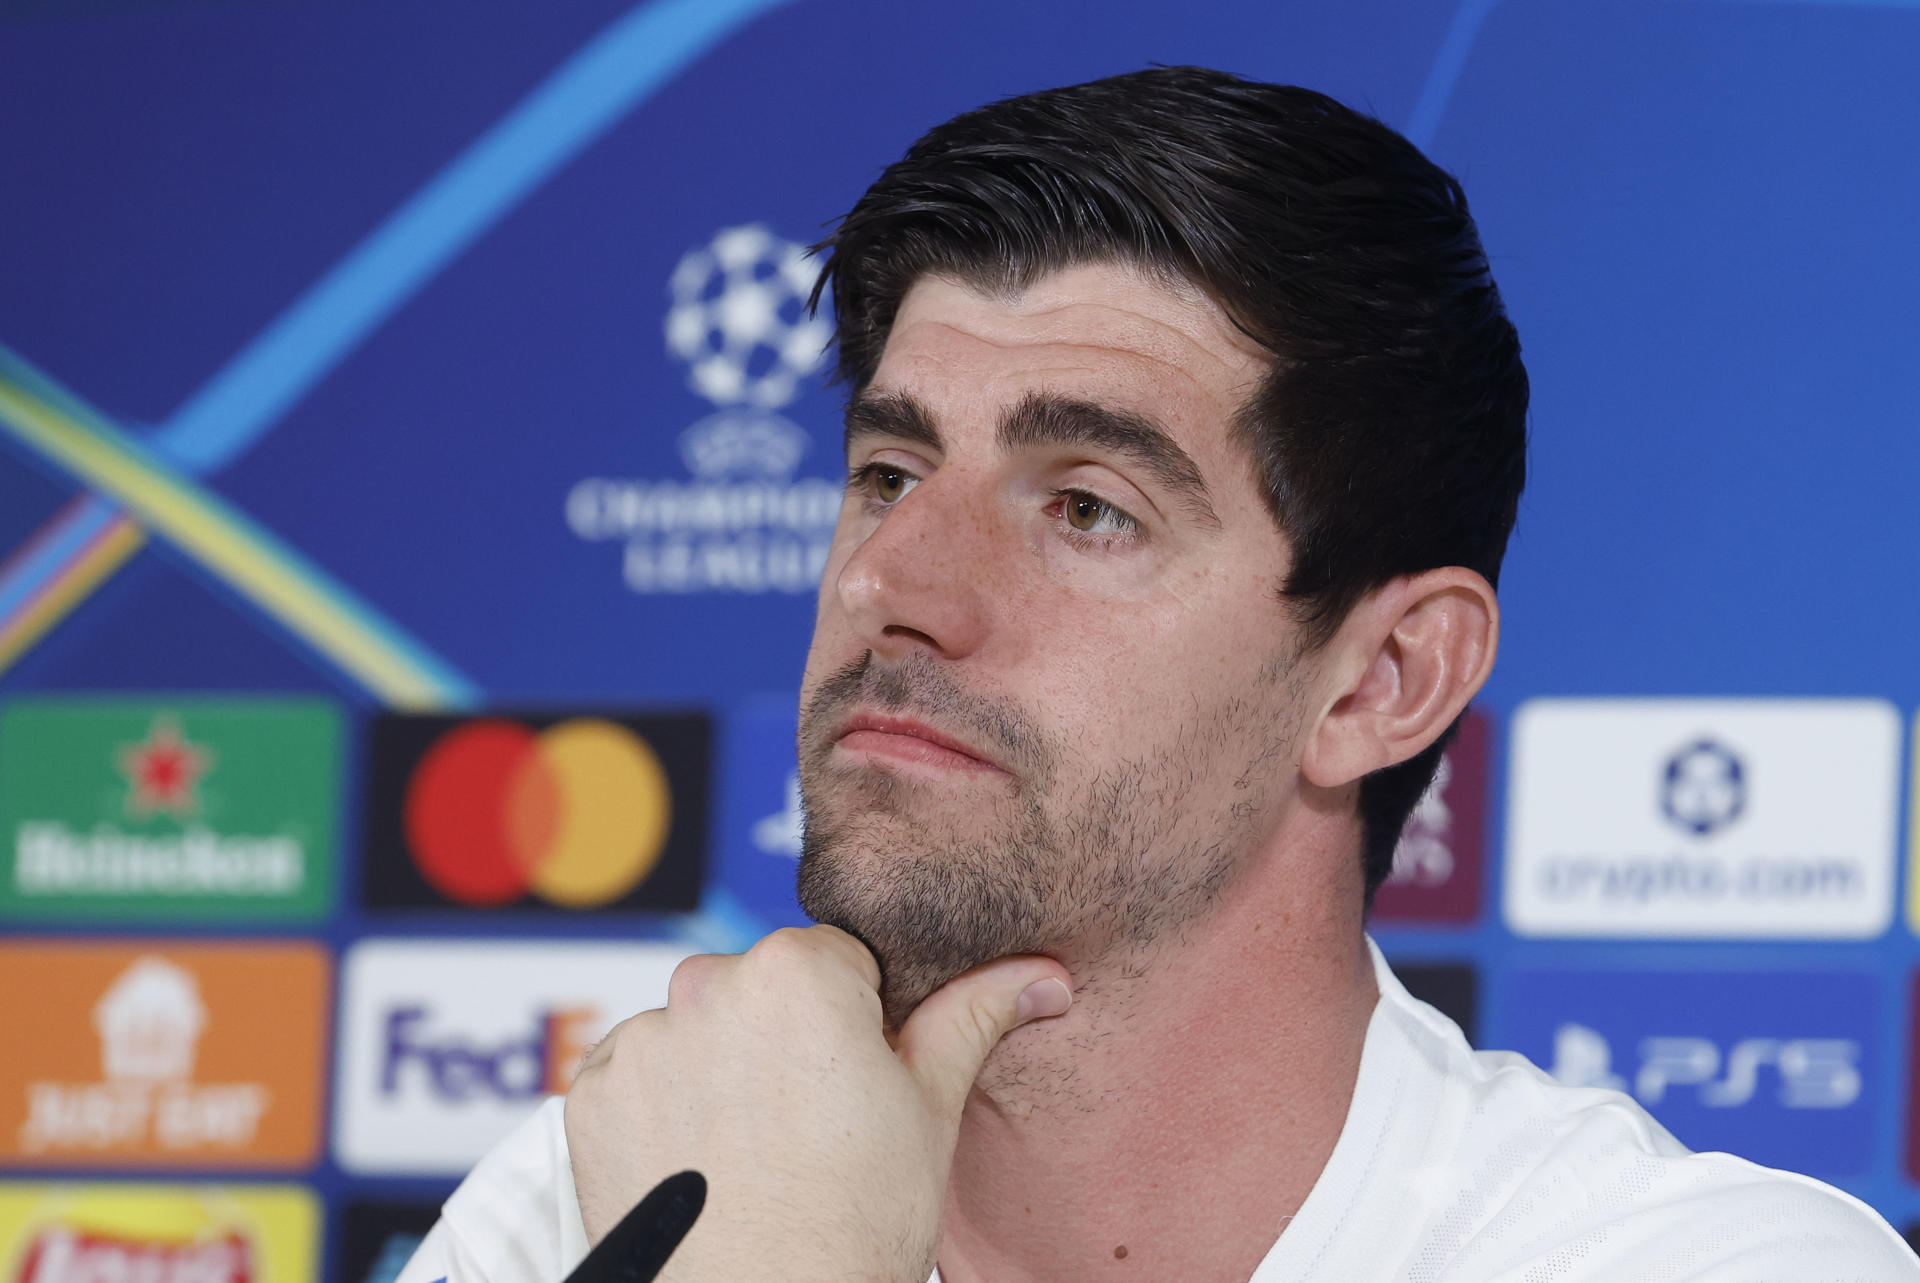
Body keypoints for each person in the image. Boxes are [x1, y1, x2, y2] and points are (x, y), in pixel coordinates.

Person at [397, 67, 1915, 1282]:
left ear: (1384, 679)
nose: (892, 587)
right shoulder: (604, 1200)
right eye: (888, 474)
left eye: (1087, 508)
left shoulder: (1688, 1264)